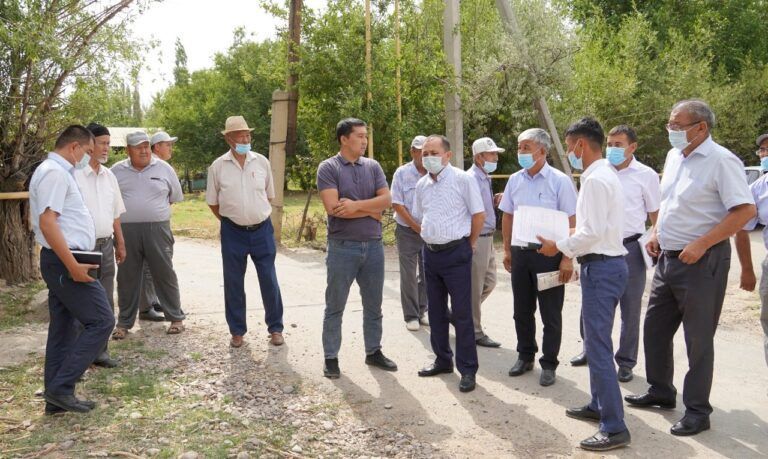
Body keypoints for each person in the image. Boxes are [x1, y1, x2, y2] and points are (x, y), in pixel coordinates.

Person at [625, 100, 755, 437]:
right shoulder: (674, 157)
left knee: (698, 339)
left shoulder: (722, 161)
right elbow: (670, 204)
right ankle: (661, 391)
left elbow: (743, 212)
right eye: (669, 124)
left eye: (678, 125)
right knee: (654, 328)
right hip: (667, 259)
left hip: (703, 261)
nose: (671, 131)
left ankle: (698, 410)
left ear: (701, 127)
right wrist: (656, 233)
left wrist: (702, 243)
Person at [537, 117, 630, 451]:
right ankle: (598, 405)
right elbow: (594, 229)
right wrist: (566, 241)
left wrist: (558, 247)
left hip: (602, 268)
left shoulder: (594, 181)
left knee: (598, 348)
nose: (570, 153)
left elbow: (590, 233)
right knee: (595, 342)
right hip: (607, 265)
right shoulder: (605, 175)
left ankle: (614, 427)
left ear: (580, 144)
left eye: (569, 145)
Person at [29, 125, 115, 414]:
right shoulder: (54, 173)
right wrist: (73, 266)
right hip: (66, 261)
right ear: (74, 147)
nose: (87, 157)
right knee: (102, 321)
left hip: (62, 260)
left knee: (63, 329)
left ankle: (57, 398)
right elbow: (48, 223)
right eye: (87, 151)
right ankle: (61, 388)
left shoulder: (54, 171)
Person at [570, 125, 660, 383]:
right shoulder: (598, 172)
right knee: (593, 307)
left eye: (619, 145)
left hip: (630, 248)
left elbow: (656, 215)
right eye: (610, 144)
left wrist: (655, 235)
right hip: (598, 248)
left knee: (630, 308)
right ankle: (591, 350)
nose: (613, 149)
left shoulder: (646, 175)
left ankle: (625, 361)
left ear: (633, 147)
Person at [317, 118, 397, 378]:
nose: (364, 141)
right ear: (344, 139)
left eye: (365, 136)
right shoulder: (328, 168)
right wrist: (372, 210)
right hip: (342, 247)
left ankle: (373, 351)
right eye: (360, 136)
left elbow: (387, 200)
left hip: (373, 247)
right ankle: (331, 357)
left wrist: (355, 206)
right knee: (335, 305)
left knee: (374, 305)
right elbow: (334, 209)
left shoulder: (372, 166)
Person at [499, 128, 577, 387]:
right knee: (522, 310)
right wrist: (508, 250)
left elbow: (572, 221)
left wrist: (567, 258)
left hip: (550, 257)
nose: (520, 152)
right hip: (521, 254)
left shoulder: (560, 181)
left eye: (526, 147)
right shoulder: (515, 180)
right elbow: (508, 214)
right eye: (519, 147)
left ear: (542, 151)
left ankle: (549, 363)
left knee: (550, 312)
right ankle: (525, 355)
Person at [413, 135, 485, 393]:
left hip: (457, 253)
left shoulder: (463, 180)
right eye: (425, 153)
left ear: (447, 155)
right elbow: (421, 215)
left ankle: (467, 370)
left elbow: (479, 214)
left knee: (463, 313)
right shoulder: (422, 184)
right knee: (436, 311)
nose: (428, 157)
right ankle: (443, 359)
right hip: (430, 254)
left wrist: (470, 243)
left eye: (434, 152)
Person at [206, 116, 285, 348]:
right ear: (229, 139)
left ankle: (276, 328)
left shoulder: (261, 162)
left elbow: (269, 195)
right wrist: (233, 220)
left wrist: (252, 215)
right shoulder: (217, 166)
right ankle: (237, 331)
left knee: (269, 279)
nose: (246, 139)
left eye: (248, 135)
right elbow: (213, 202)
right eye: (240, 135)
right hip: (233, 232)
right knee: (233, 282)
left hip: (262, 230)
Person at [111, 131, 186, 338]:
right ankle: (124, 323)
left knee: (164, 273)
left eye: (146, 146)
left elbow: (173, 197)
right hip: (126, 232)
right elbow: (109, 203)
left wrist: (153, 210)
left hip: (157, 229)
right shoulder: (115, 171)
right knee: (126, 277)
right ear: (128, 150)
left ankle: (176, 318)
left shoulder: (164, 168)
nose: (143, 150)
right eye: (138, 147)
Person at [73, 123, 127, 368]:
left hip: (105, 245)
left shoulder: (109, 176)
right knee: (81, 302)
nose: (107, 148)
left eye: (108, 142)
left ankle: (100, 352)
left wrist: (120, 243)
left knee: (105, 299)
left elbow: (115, 213)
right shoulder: (73, 174)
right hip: (82, 247)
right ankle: (78, 357)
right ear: (89, 144)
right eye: (103, 143)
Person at [138, 131, 180, 322]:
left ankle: (154, 300)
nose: (171, 148)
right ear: (156, 147)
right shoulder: (148, 166)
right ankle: (146, 307)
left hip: (159, 223)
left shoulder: (164, 167)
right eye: (167, 144)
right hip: (147, 226)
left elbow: (172, 197)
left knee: (156, 265)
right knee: (149, 266)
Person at [467, 137, 504, 348]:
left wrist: (494, 201)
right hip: (478, 238)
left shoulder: (484, 177)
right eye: (492, 154)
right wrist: (471, 241)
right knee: (475, 286)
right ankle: (474, 331)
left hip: (488, 237)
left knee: (489, 282)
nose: (495, 158)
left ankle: (461, 315)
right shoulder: (471, 178)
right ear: (480, 157)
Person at [736, 132, 768, 367]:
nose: (764, 154)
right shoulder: (758, 187)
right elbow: (742, 227)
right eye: (763, 151)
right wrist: (747, 269)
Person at [391, 135, 429, 331]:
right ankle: (411, 315)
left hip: (430, 232)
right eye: (418, 151)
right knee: (408, 274)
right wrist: (416, 226)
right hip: (407, 231)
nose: (422, 155)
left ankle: (422, 310)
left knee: (427, 273)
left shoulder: (435, 173)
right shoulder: (402, 173)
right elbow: (397, 203)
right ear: (412, 152)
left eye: (426, 151)